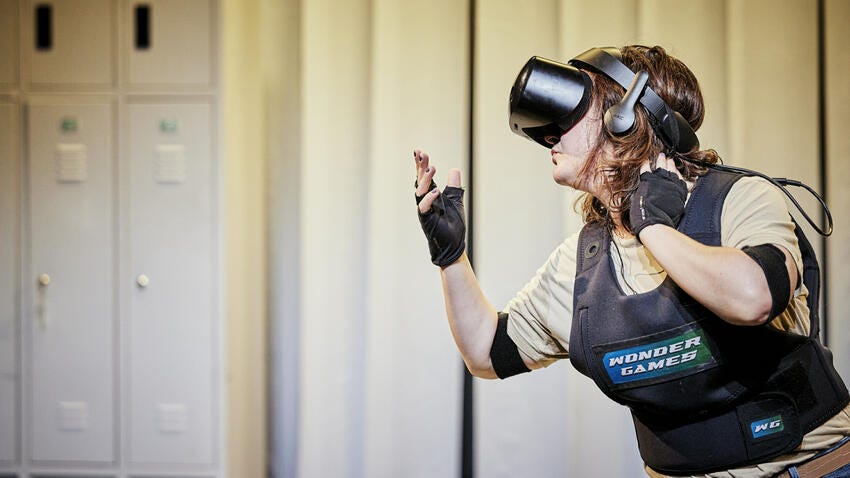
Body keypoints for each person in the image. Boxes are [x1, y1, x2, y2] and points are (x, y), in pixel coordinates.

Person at [413, 45, 850, 477]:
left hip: (814, 468)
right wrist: (451, 258)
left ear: (624, 118)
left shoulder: (737, 199)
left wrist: (653, 226)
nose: (550, 135)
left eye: (571, 115)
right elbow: (487, 353)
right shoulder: (583, 263)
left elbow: (752, 299)